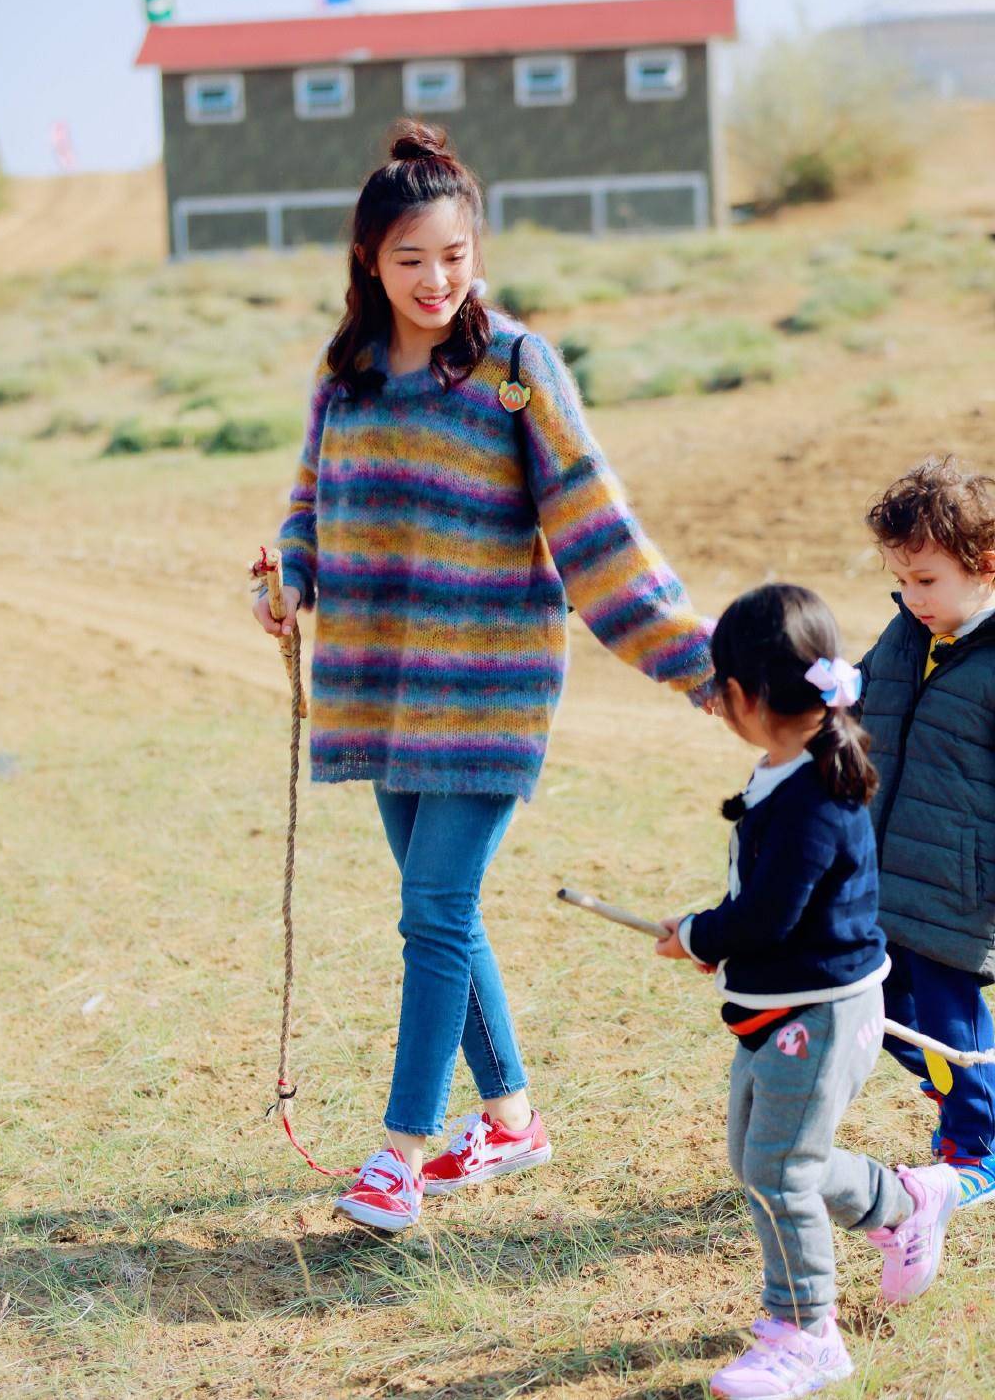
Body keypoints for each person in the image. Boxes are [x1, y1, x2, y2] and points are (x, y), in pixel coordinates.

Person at [253, 120, 715, 1233]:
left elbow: (592, 521)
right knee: (441, 915)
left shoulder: (513, 366)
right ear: (370, 259)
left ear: (478, 251)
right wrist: (290, 573)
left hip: (491, 680)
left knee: (434, 908)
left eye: (454, 254)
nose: (435, 278)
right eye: (410, 258)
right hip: (380, 682)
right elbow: (311, 499)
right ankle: (509, 1119)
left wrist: (698, 662)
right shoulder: (347, 373)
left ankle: (400, 1153)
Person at [656, 584, 959, 1400]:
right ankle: (902, 1206)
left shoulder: (815, 796)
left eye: (719, 684)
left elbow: (769, 913)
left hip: (821, 1016)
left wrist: (699, 933)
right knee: (767, 1155)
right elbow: (769, 915)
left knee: (780, 1169)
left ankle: (806, 1331)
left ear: (745, 698)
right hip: (782, 1007)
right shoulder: (787, 769)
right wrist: (711, 939)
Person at [859, 456, 995, 1207]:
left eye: (926, 580)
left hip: (956, 884)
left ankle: (978, 1146)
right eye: (903, 579)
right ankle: (975, 1103)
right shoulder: (908, 635)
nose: (911, 597)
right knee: (875, 1012)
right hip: (881, 868)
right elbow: (861, 694)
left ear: (985, 566)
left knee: (948, 1021)